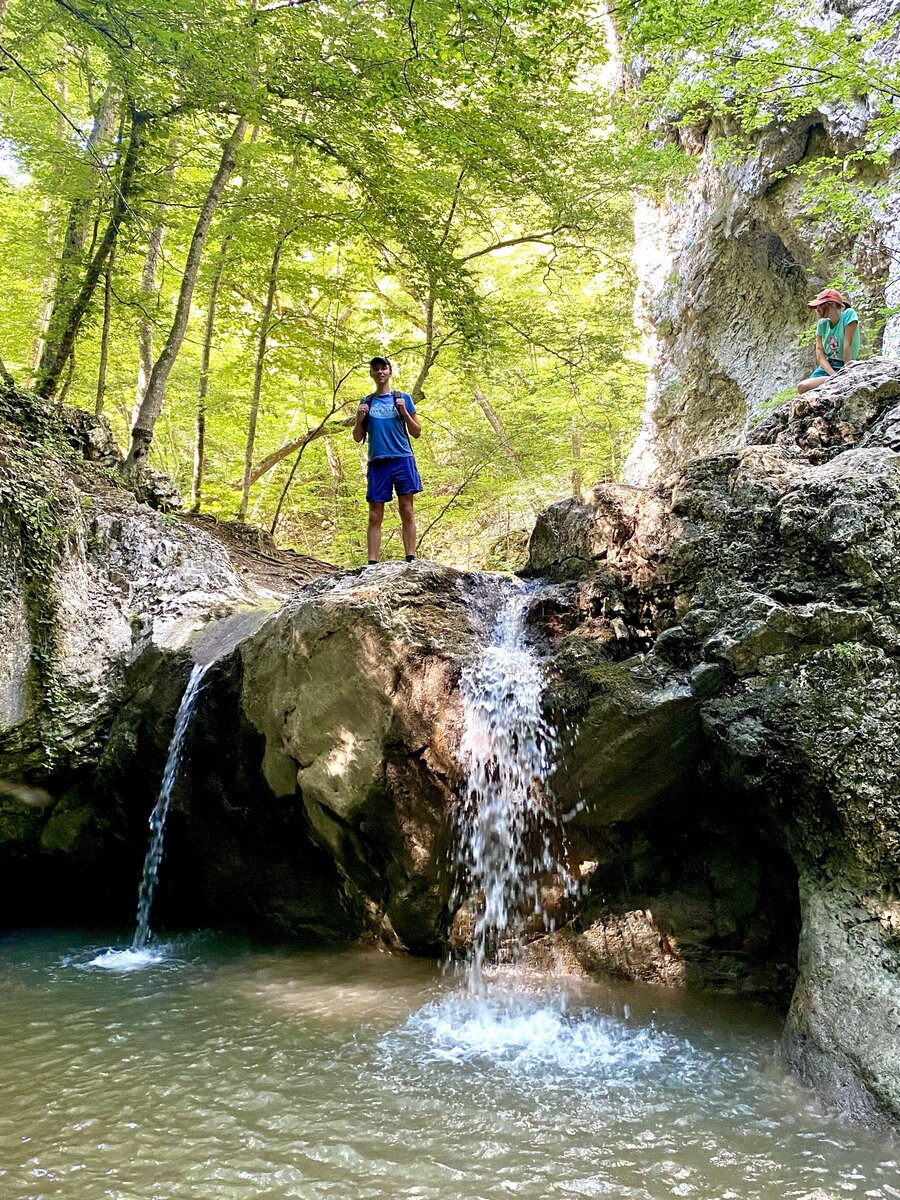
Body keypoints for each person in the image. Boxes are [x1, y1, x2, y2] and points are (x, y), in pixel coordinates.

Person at [352, 356, 422, 564]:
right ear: (371, 373)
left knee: (407, 510)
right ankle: (372, 563)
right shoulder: (366, 402)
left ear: (390, 371)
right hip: (378, 462)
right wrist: (359, 419)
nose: (380, 372)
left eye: (384, 368)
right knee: (374, 515)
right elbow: (357, 437)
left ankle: (410, 559)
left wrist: (404, 412)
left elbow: (416, 432)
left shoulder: (403, 398)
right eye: (376, 369)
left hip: (402, 459)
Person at [797, 288, 861, 394]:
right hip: (827, 367)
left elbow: (847, 345)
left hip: (844, 364)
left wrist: (846, 373)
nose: (817, 309)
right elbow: (819, 352)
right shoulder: (822, 324)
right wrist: (833, 376)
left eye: (819, 305)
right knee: (802, 388)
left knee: (804, 386)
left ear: (830, 304)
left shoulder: (848, 314)